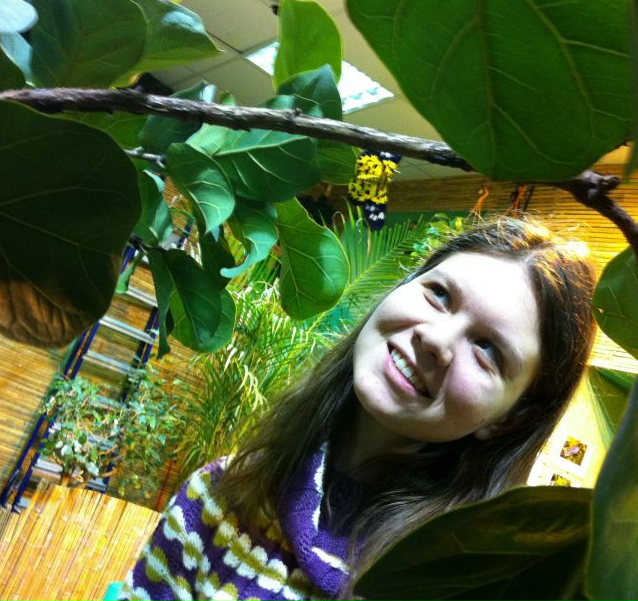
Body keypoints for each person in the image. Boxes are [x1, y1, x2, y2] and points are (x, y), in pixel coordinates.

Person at [119, 216, 596, 601]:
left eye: (487, 348)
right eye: (439, 294)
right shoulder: (226, 493)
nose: (435, 339)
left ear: (512, 418)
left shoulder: (466, 585)